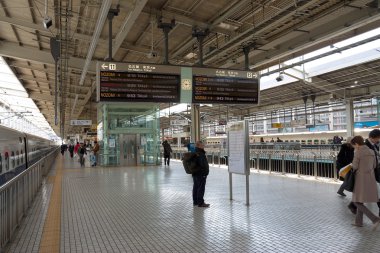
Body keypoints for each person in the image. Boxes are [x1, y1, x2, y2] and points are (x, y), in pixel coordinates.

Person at [349, 136, 380, 229]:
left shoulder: (358, 152)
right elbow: (375, 165)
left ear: (357, 144)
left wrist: (351, 165)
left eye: (354, 146)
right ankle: (358, 222)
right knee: (360, 200)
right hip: (370, 178)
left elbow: (354, 166)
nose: (354, 147)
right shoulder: (371, 151)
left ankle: (375, 219)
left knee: (356, 201)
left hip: (360, 179)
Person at [364, 129, 380, 216]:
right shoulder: (365, 146)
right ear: (371, 137)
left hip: (376, 170)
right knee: (377, 191)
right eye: (377, 138)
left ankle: (354, 205)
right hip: (370, 172)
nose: (378, 140)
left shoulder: (375, 145)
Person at [192, 141, 210, 207]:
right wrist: (205, 171)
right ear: (199, 146)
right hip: (201, 173)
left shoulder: (194, 152)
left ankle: (195, 201)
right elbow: (202, 164)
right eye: (202, 145)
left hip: (195, 172)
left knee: (196, 187)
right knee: (201, 188)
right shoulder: (200, 153)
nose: (203, 146)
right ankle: (200, 202)